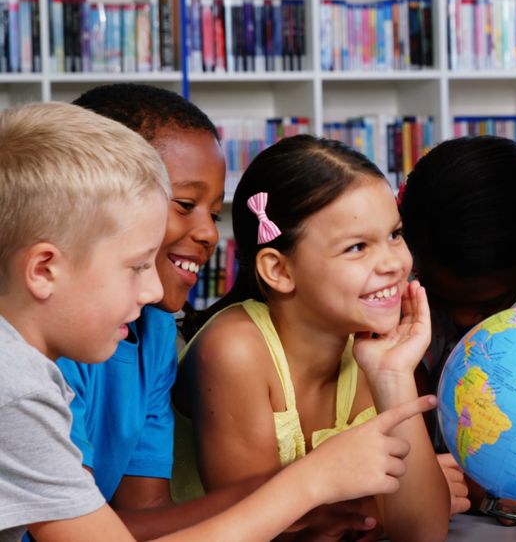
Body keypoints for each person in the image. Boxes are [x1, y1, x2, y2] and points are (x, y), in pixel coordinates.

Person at [0, 102, 436, 542]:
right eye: (135, 267)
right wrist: (312, 481)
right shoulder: (17, 389)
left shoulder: (33, 372)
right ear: (43, 271)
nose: (154, 293)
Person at [173, 135, 450, 541]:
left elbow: (423, 532)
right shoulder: (235, 350)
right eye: (357, 247)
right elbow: (264, 527)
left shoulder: (369, 345)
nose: (394, 263)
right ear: (279, 271)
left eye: (395, 234)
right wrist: (372, 507)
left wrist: (393, 376)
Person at [47, 83, 254, 540]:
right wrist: (284, 493)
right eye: (185, 205)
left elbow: (144, 513)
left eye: (214, 214)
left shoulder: (156, 330)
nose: (208, 235)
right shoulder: (43, 343)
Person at [399, 135, 516, 516]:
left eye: (488, 306)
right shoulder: (396, 295)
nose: (463, 320)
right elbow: (409, 441)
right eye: (441, 297)